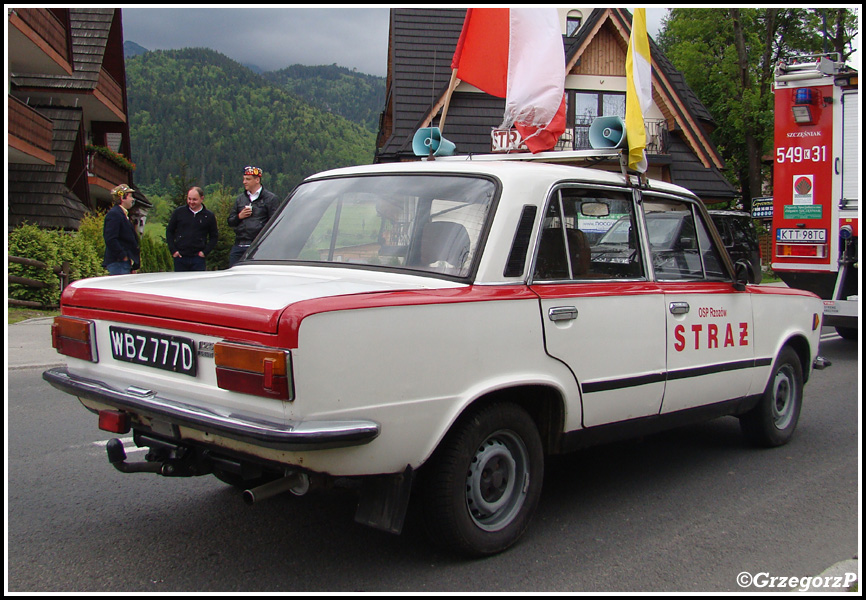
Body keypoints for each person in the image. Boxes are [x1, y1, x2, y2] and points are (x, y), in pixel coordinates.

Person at [226, 166, 280, 266]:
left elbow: (274, 224)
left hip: (258, 246)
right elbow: (230, 221)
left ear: (257, 180)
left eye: (248, 179)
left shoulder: (270, 199)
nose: (244, 182)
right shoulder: (240, 199)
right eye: (244, 179)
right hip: (239, 244)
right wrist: (239, 216)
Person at [166, 186, 219, 271]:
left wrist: (204, 252)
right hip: (180, 257)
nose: (191, 202)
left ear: (202, 199)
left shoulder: (208, 216)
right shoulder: (179, 212)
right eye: (189, 199)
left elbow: (214, 236)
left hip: (198, 258)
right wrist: (173, 251)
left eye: (194, 199)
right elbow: (169, 231)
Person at [103, 184, 140, 275]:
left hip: (123, 263)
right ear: (122, 198)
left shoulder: (123, 215)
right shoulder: (115, 214)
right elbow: (110, 238)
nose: (132, 199)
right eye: (130, 196)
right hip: (118, 263)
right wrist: (123, 256)